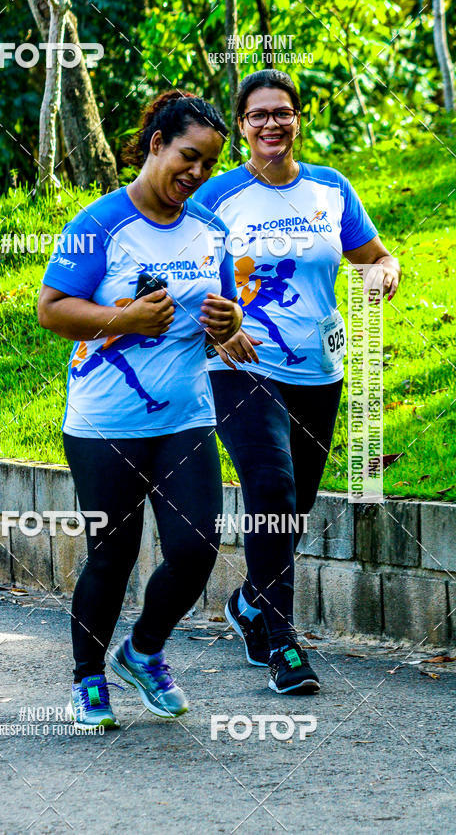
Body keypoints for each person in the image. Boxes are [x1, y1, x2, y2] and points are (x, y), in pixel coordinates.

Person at [38, 91, 243, 729]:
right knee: (112, 553)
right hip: (105, 423)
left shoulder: (210, 228)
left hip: (185, 416)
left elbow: (226, 315)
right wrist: (124, 317)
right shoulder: (100, 223)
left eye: (209, 164)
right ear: (156, 143)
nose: (198, 175)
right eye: (188, 157)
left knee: (197, 546)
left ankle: (144, 650)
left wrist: (227, 321)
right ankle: (88, 678)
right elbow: (51, 309)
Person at [194, 70, 401, 695]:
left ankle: (252, 603)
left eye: (282, 113)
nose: (271, 125)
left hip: (318, 365)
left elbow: (374, 254)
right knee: (271, 483)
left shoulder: (331, 190)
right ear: (241, 128)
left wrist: (385, 272)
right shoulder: (216, 198)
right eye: (258, 116)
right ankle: (282, 641)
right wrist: (216, 325)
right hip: (241, 362)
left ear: (297, 120)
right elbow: (182, 269)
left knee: (292, 508)